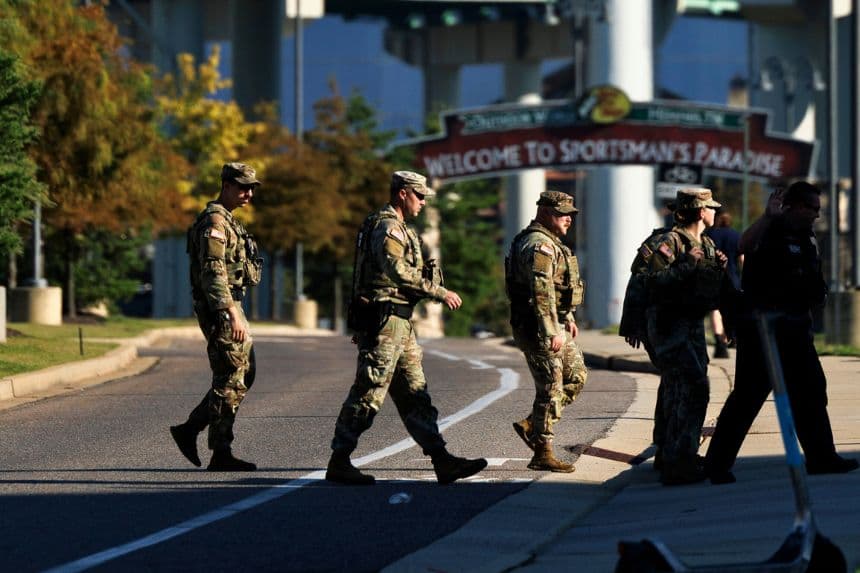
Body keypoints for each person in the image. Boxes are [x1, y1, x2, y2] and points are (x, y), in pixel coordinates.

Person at [325, 170, 488, 486]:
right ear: (402, 193)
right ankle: (339, 460)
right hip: (385, 323)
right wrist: (439, 291)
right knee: (369, 392)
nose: (424, 202)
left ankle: (442, 461)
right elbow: (395, 270)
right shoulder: (388, 227)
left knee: (416, 394)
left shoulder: (399, 228)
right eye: (420, 195)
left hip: (401, 323)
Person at [705, 181, 859, 484]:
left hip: (797, 328)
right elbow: (742, 246)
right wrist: (767, 216)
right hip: (764, 330)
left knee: (811, 391)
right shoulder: (769, 229)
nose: (817, 214)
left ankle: (821, 458)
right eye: (811, 208)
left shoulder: (805, 235)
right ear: (794, 206)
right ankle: (716, 465)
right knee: (748, 397)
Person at [170, 163, 263, 472]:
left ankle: (189, 430)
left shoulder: (227, 221)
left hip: (232, 307)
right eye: (241, 186)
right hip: (223, 310)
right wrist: (230, 314)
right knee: (230, 378)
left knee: (243, 375)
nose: (248, 192)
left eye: (251, 188)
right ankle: (220, 451)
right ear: (225, 185)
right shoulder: (215, 223)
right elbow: (213, 275)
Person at [645, 188, 726, 485]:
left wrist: (717, 266)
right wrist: (685, 264)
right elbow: (652, 281)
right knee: (693, 388)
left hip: (692, 326)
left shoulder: (704, 243)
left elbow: (705, 289)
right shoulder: (669, 242)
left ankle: (672, 454)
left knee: (679, 389)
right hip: (669, 326)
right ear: (701, 211)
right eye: (711, 208)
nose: (716, 212)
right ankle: (680, 461)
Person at [506, 190, 588, 473]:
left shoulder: (551, 243)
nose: (568, 220)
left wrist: (567, 317)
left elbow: (557, 288)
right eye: (562, 214)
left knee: (576, 376)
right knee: (550, 389)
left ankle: (532, 423)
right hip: (537, 328)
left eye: (571, 215)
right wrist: (552, 328)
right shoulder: (538, 246)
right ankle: (542, 451)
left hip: (553, 324)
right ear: (544, 213)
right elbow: (541, 292)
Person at [705, 212, 743, 359]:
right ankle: (733, 337)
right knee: (732, 309)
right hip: (732, 279)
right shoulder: (736, 235)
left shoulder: (709, 234)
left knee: (715, 309)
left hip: (713, 278)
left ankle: (720, 342)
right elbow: (742, 260)